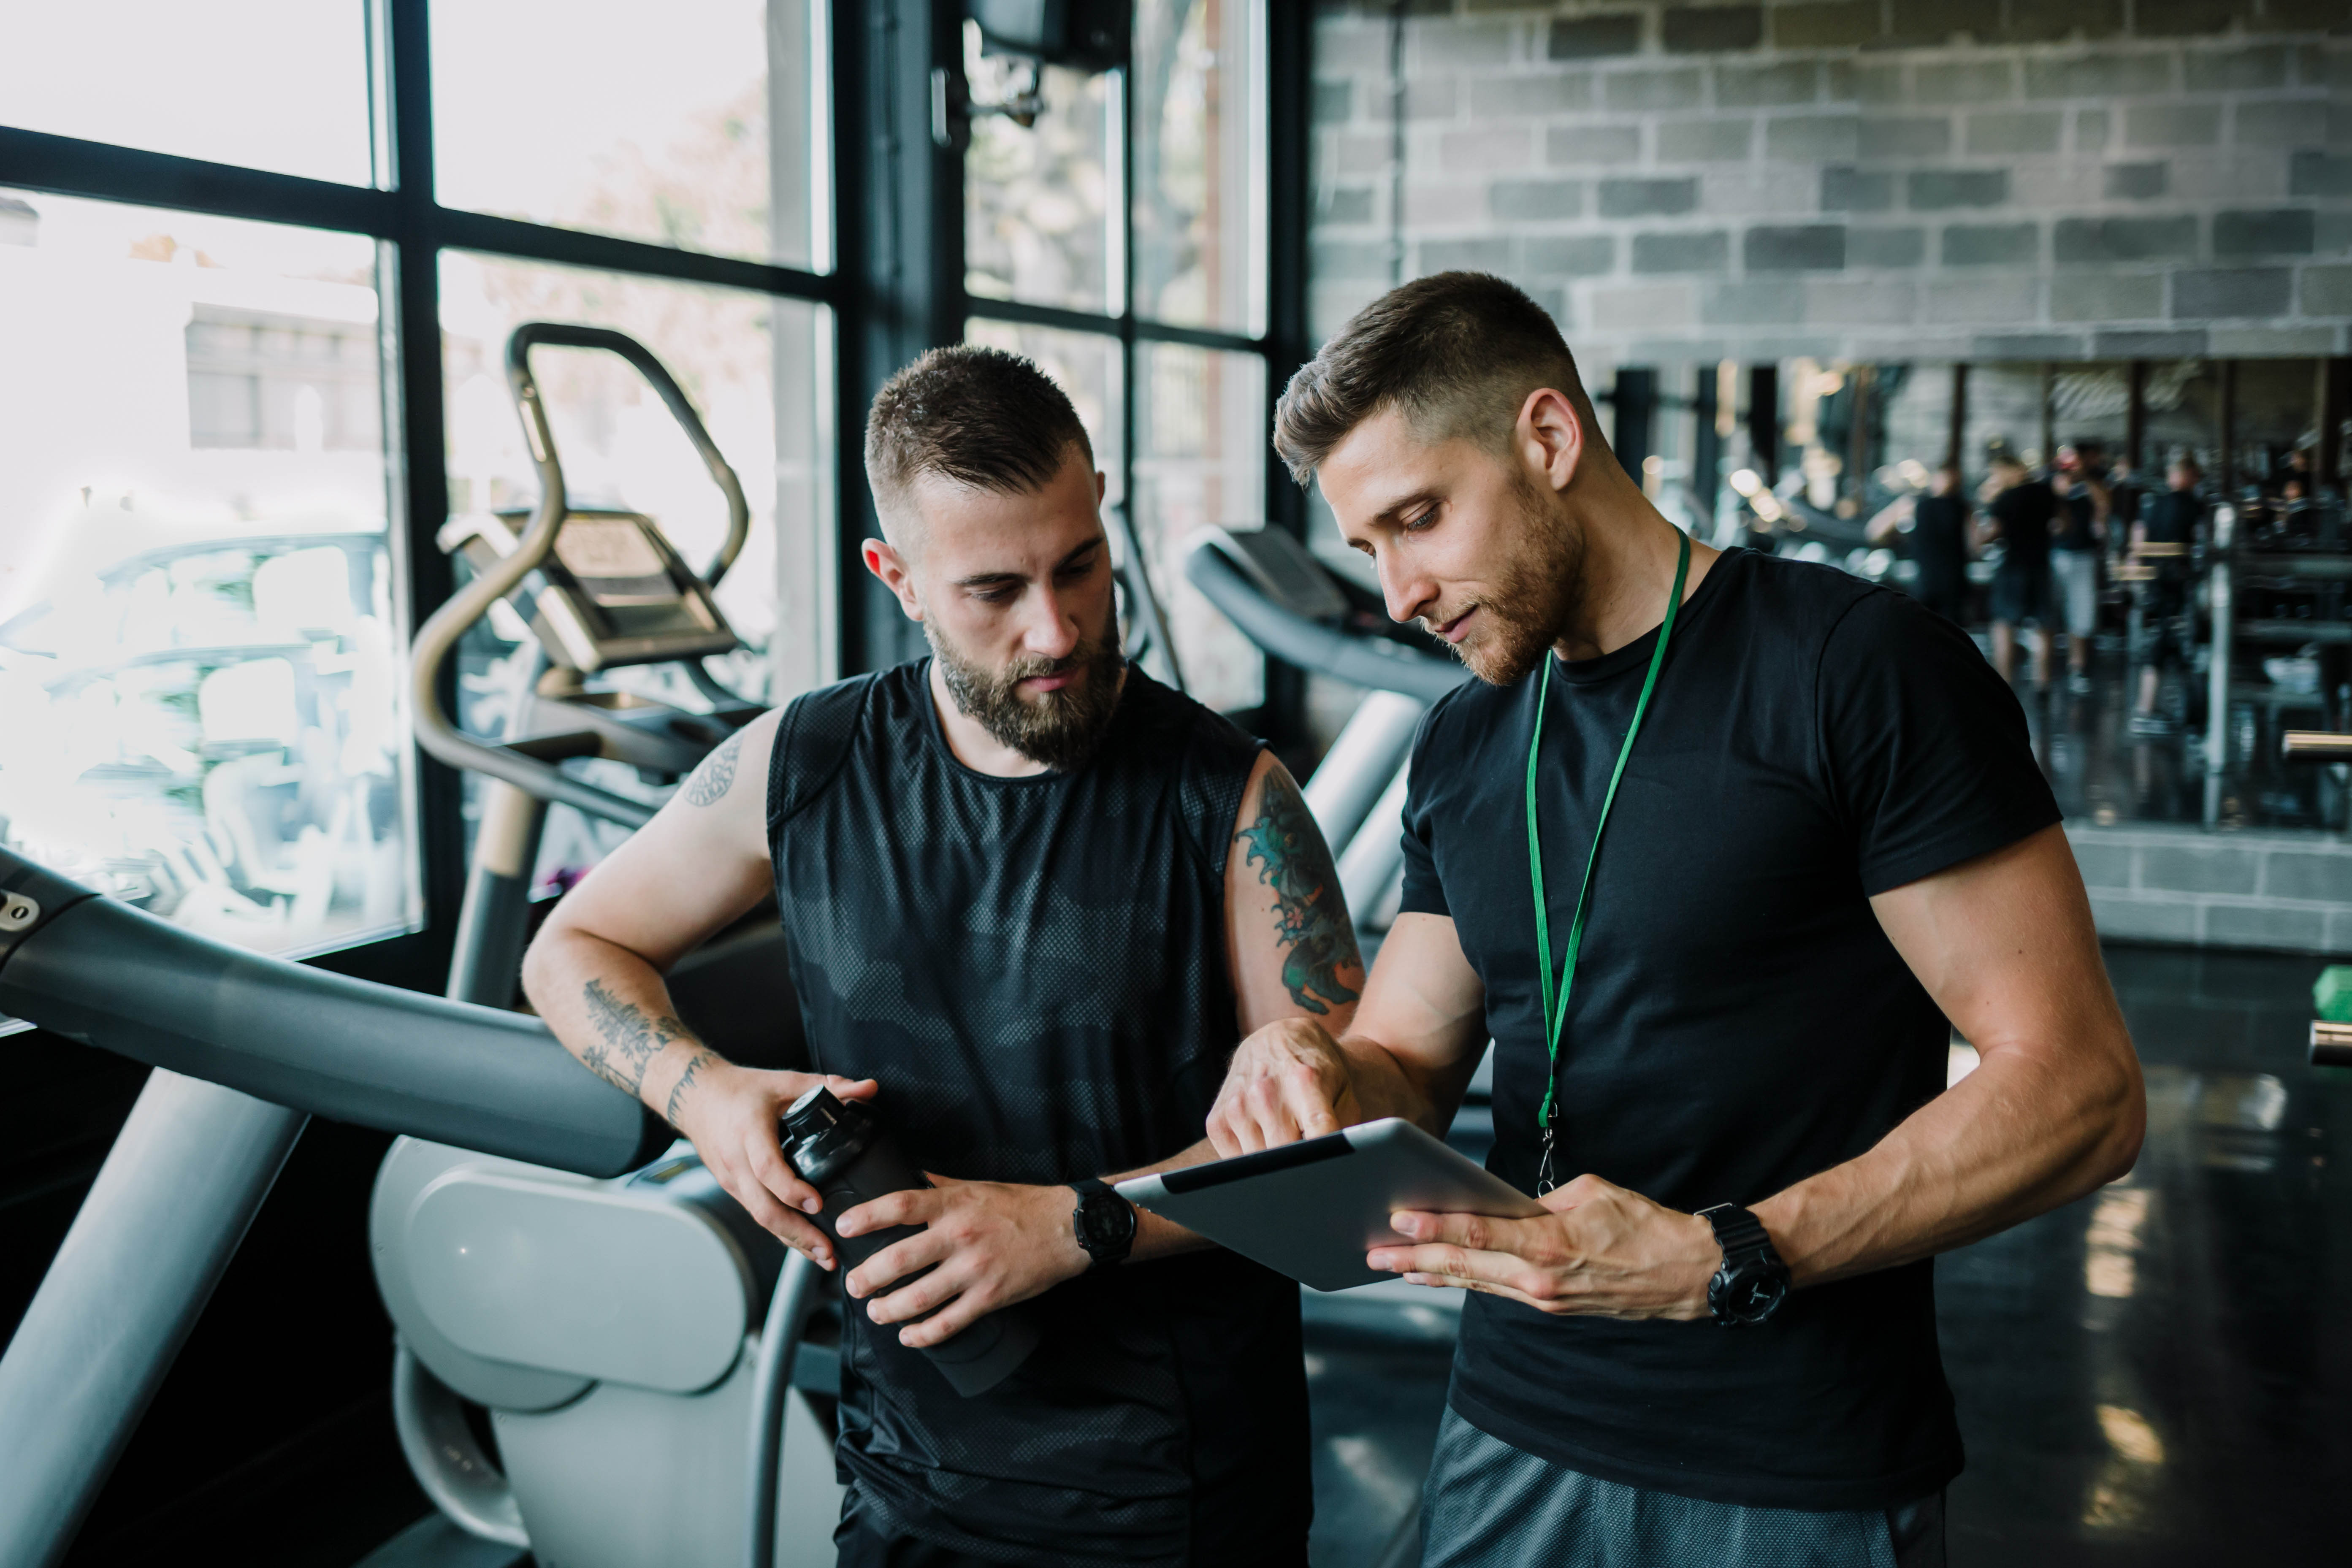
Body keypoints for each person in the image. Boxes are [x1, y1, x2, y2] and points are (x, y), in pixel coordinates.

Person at [1207, 273, 2144, 1568]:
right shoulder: (1468, 741)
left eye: (1418, 519)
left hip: (1787, 1458)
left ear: (1547, 437)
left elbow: (2081, 1087)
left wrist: (1724, 1251)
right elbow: (1409, 1061)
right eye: (1371, 548)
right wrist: (1308, 1063)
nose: (1401, 594)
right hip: (1509, 1424)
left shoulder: (1855, 668)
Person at [521, 346, 1354, 1567]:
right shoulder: (799, 765)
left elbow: (1326, 1173)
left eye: (1079, 565)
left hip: (1172, 1493)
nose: (1055, 626)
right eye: (994, 590)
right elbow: (572, 945)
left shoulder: (1231, 801)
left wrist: (1071, 1225)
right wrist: (701, 1094)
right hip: (907, 1475)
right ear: (897, 575)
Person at [2131, 455, 2206, 734]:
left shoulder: (2153, 504)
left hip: (2154, 583)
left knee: (2159, 644)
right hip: (2178, 585)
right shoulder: (2194, 506)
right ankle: (2148, 711)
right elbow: (2202, 544)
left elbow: (2138, 537)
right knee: (2171, 647)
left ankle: (2150, 709)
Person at [1976, 448, 2058, 689]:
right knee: (2043, 626)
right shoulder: (2045, 492)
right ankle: (2042, 684)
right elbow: (2065, 525)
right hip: (2041, 565)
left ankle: (2004, 683)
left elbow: (1989, 534)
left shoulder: (2005, 499)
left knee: (2004, 625)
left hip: (2013, 567)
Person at [1867, 462, 1971, 624]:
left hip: (1933, 580)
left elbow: (1875, 531)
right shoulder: (1961, 507)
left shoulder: (1916, 504)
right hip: (1947, 581)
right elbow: (1975, 544)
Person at [2047, 455, 2105, 696]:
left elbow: (2104, 505)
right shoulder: (2049, 494)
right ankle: (2047, 669)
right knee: (2049, 615)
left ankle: (2077, 668)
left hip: (2083, 556)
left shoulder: (2087, 492)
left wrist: (2083, 478)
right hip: (2055, 557)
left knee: (2081, 614)